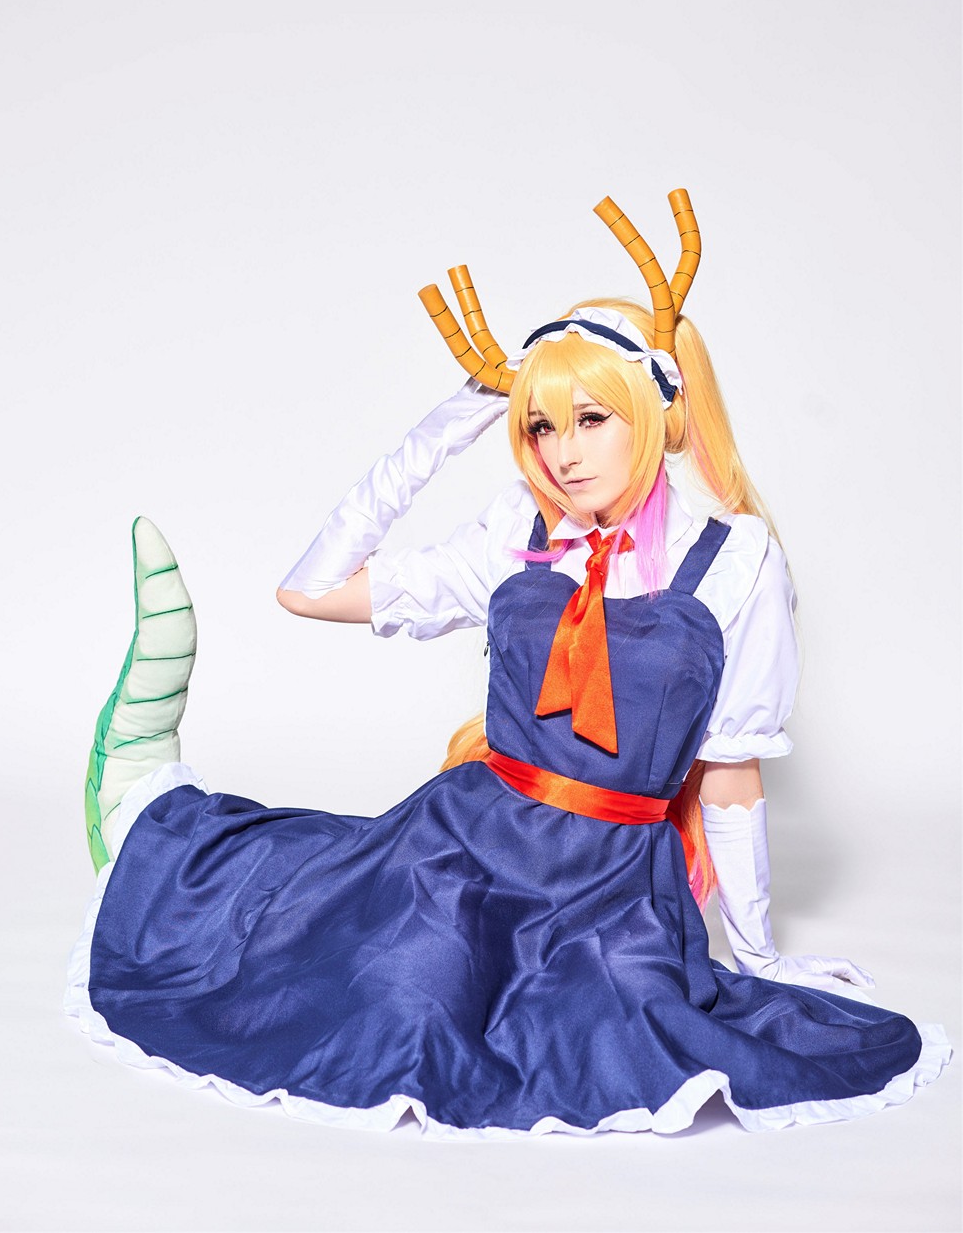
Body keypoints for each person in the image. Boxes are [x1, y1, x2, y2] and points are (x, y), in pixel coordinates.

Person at [67, 191, 950, 1137]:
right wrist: (448, 426)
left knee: (622, 1025)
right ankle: (147, 813)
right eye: (540, 427)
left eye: (591, 419)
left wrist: (760, 955)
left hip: (617, 879)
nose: (563, 455)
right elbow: (310, 591)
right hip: (465, 849)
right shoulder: (516, 534)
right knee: (391, 996)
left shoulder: (735, 559)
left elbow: (730, 776)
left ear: (654, 412)